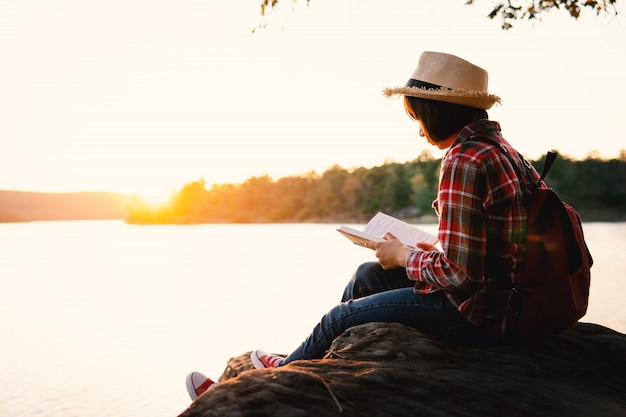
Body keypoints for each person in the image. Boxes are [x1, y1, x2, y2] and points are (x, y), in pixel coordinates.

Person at [185, 51, 541, 401]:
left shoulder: (464, 159)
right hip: (503, 297)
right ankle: (319, 367)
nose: (419, 132)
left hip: (478, 311)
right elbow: (490, 247)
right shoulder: (502, 150)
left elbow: (462, 277)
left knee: (338, 319)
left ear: (437, 112)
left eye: (418, 118)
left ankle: (273, 388)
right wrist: (428, 252)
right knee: (366, 275)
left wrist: (403, 255)